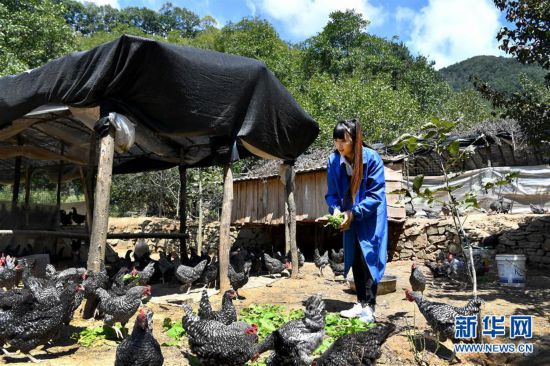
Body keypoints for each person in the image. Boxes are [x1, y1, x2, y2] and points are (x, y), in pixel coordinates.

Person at [325, 118, 388, 322]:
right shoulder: (333, 161)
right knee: (353, 255)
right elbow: (332, 193)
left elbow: (376, 196)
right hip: (348, 214)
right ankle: (360, 302)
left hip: (370, 214)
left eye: (343, 140)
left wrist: (354, 213)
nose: (339, 145)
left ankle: (370, 306)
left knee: (368, 256)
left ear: (354, 139)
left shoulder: (371, 159)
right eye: (336, 141)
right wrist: (335, 210)